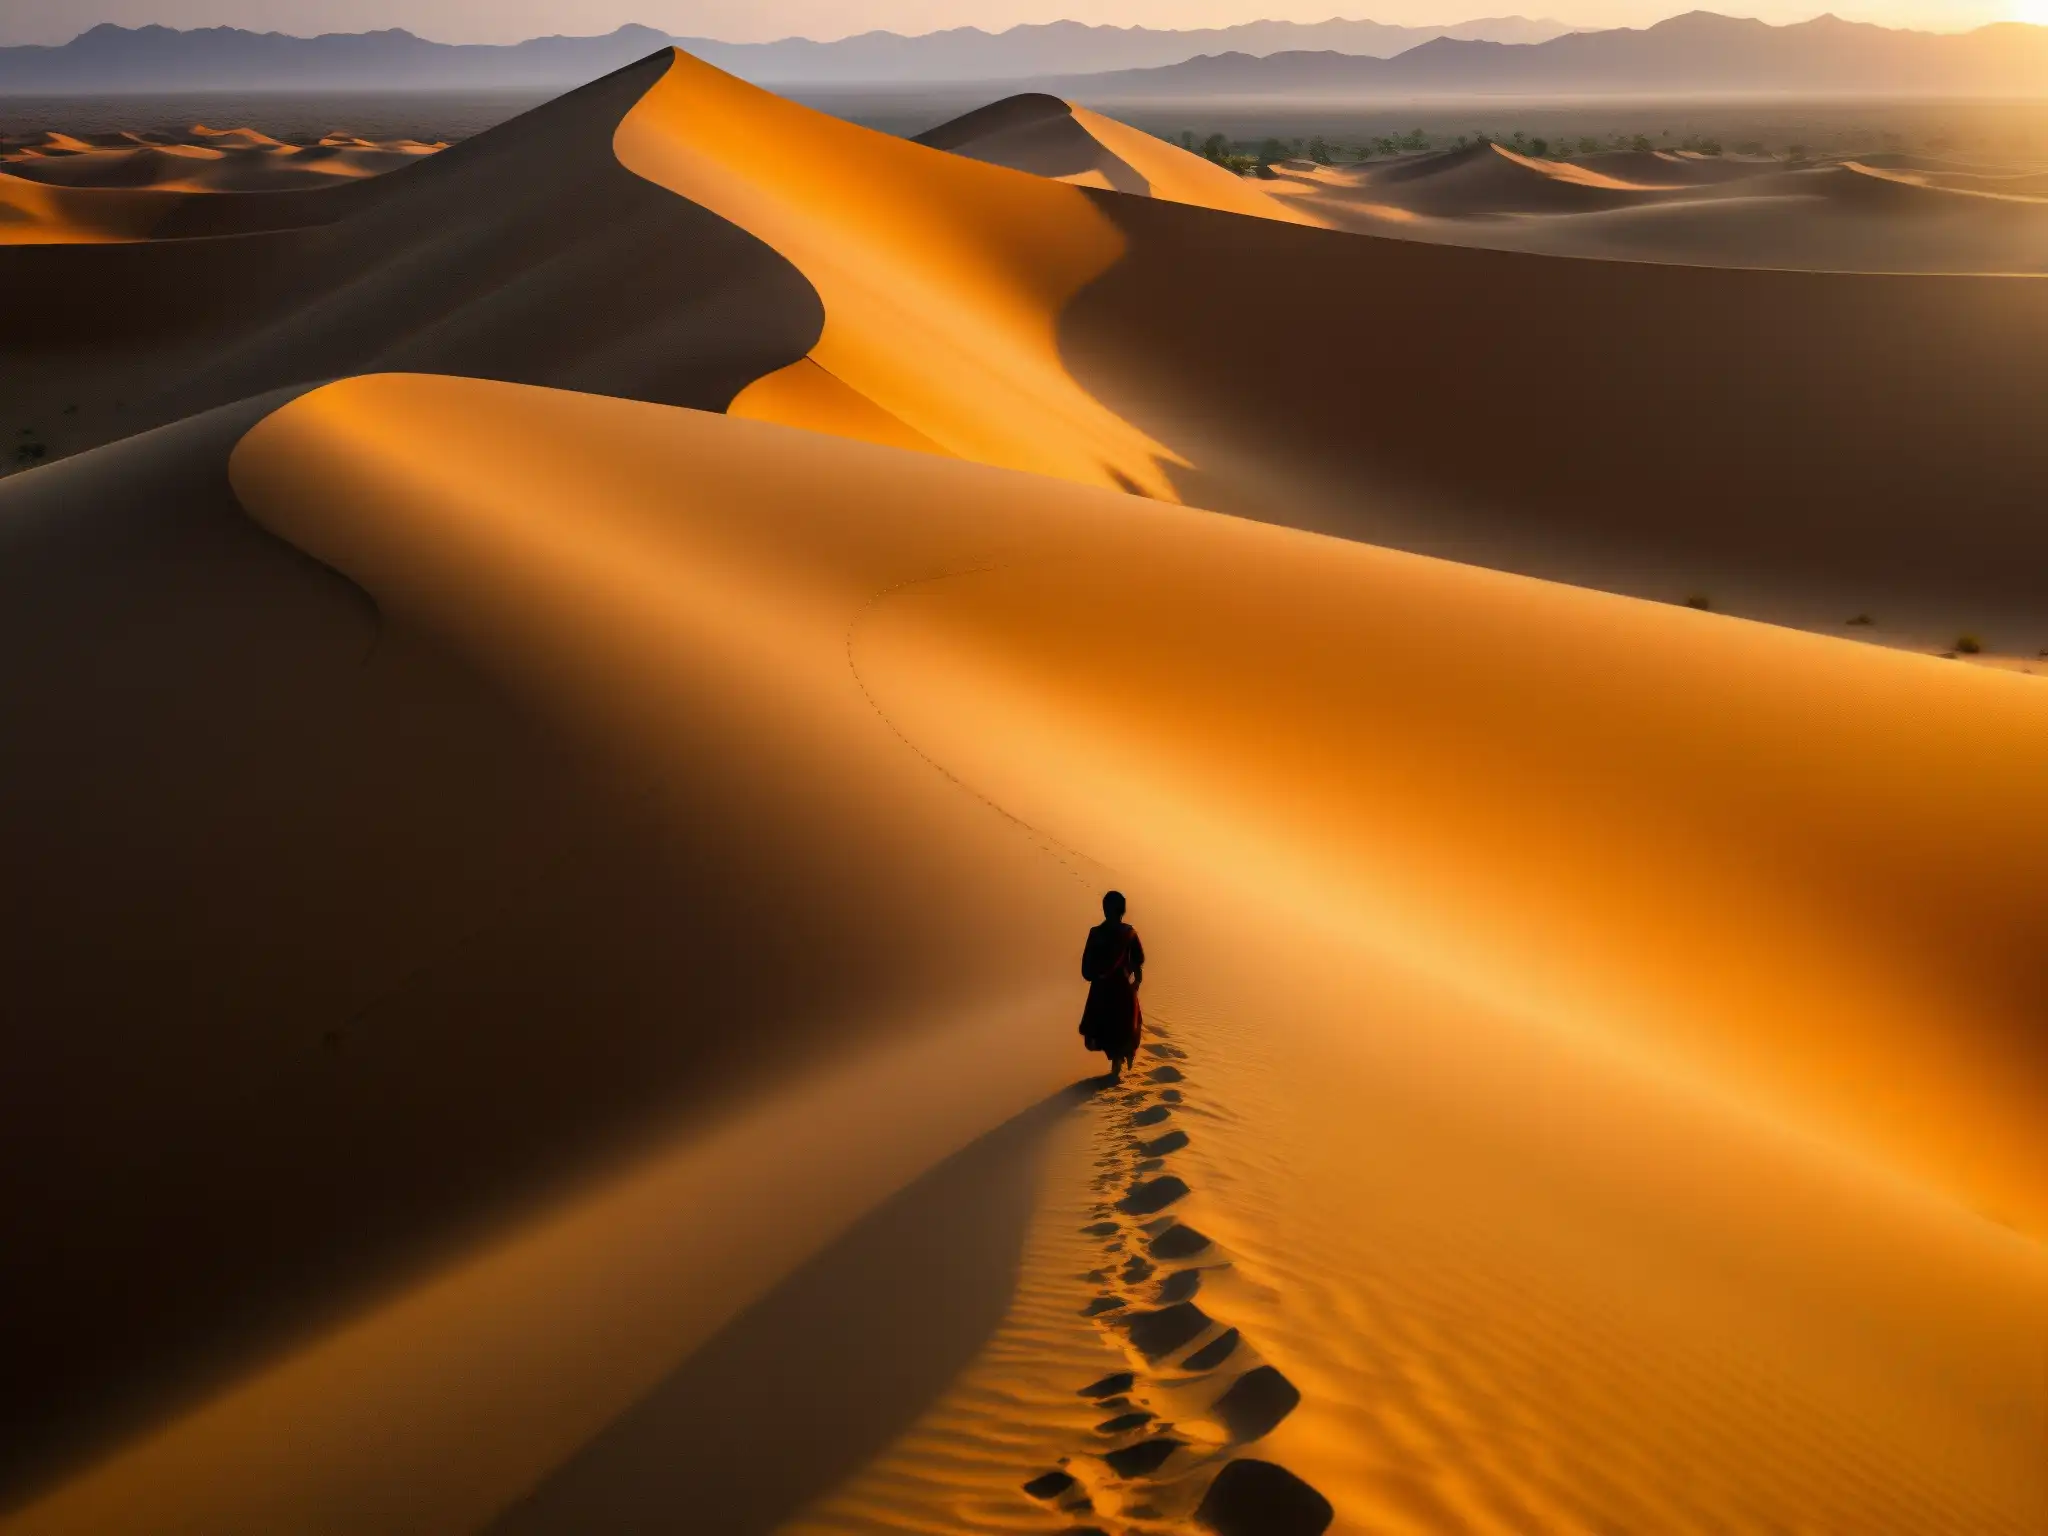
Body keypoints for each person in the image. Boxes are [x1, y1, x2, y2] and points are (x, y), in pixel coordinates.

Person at [1079, 891, 1144, 1080]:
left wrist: (1097, 975)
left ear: (1105, 909)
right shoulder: (1128, 932)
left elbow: (1086, 968)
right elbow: (1138, 959)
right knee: (1125, 1025)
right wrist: (1135, 980)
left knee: (1106, 1026)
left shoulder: (1096, 933)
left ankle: (1117, 1063)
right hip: (1122, 988)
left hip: (1101, 989)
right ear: (1122, 910)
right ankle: (1121, 1059)